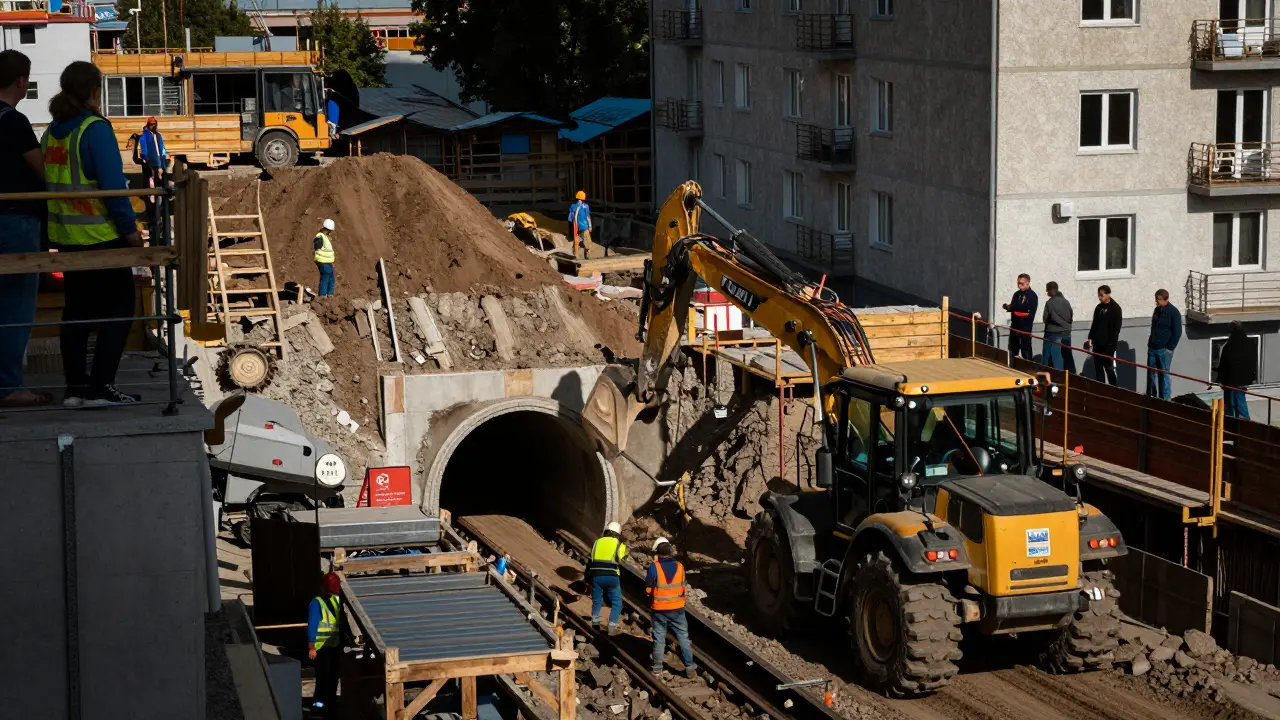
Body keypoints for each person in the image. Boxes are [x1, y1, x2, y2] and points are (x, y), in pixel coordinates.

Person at [43, 61, 142, 407]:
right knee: (121, 308)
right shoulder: (94, 129)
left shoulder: (53, 131)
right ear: (93, 90)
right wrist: (129, 230)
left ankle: (75, 389)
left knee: (76, 312)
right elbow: (112, 186)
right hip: (101, 235)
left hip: (66, 237)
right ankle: (101, 386)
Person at [0, 50, 51, 408]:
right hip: (15, 220)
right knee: (16, 306)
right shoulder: (14, 122)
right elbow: (41, 170)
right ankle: (9, 386)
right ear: (21, 81)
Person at [647, 537, 698, 680]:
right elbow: (683, 585)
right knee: (683, 638)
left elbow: (648, 588)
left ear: (657, 552)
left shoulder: (654, 567)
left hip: (659, 610)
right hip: (677, 609)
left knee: (659, 639)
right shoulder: (680, 566)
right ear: (670, 551)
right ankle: (690, 668)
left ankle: (657, 670)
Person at [308, 571, 343, 714]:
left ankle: (321, 704)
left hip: (323, 647)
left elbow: (312, 625)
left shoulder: (317, 603)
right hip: (333, 646)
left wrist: (311, 646)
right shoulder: (339, 601)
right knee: (332, 676)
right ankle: (329, 703)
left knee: (324, 677)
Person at [587, 521, 628, 635]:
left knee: (597, 600)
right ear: (618, 534)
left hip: (596, 576)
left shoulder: (597, 542)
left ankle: (595, 624)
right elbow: (623, 558)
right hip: (611, 577)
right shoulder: (619, 544)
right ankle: (611, 628)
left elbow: (591, 558)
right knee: (617, 602)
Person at [1147, 288, 1182, 401]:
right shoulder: (1157, 310)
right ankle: (1152, 396)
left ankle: (1165, 399)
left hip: (1164, 350)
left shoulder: (1173, 312)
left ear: (1165, 299)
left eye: (1158, 299)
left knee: (1164, 375)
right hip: (1153, 348)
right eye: (1156, 299)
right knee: (1151, 374)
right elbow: (1154, 327)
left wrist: (1169, 348)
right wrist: (1151, 342)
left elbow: (1177, 332)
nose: (1156, 302)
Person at [1084, 285, 1122, 386]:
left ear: (1108, 294)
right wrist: (1090, 337)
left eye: (1102, 295)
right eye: (1099, 295)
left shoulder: (1115, 308)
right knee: (1098, 367)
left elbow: (1116, 329)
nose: (1100, 297)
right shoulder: (1099, 308)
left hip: (1108, 344)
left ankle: (1114, 388)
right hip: (1098, 343)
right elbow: (1094, 324)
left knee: (1109, 368)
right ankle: (1100, 387)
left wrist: (1111, 345)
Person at [1217, 321, 1256, 420]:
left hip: (1231, 380)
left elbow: (1224, 363)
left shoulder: (1229, 345)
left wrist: (1220, 379)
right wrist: (1252, 376)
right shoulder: (1250, 343)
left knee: (1231, 403)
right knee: (1240, 401)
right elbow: (1253, 361)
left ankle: (1232, 421)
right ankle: (1244, 422)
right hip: (1244, 379)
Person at [139, 117, 167, 231]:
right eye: (151, 124)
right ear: (148, 124)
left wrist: (163, 165)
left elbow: (162, 150)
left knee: (160, 194)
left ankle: (158, 220)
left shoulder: (158, 135)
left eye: (154, 124)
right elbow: (145, 153)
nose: (153, 126)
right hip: (151, 168)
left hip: (160, 168)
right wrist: (155, 166)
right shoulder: (144, 137)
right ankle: (153, 220)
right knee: (151, 194)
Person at [1002, 273, 1037, 362]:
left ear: (1027, 283)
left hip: (1025, 327)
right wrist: (1008, 307)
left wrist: (1015, 308)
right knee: (1013, 349)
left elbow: (1026, 310)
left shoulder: (1032, 295)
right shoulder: (1016, 294)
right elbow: (1014, 306)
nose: (1019, 285)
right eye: (1018, 283)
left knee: (1026, 350)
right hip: (1015, 326)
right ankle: (1012, 365)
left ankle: (1028, 367)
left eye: (1021, 283)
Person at [1042, 282, 1076, 373]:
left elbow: (1045, 319)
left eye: (1047, 291)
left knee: (1054, 359)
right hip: (1066, 334)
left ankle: (1055, 377)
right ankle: (1072, 375)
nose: (1047, 293)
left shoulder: (1049, 303)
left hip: (1053, 334)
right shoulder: (1066, 302)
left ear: (1050, 290)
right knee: (1067, 357)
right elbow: (1070, 317)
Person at [314, 218, 336, 297]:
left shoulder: (325, 237)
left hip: (327, 262)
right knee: (325, 277)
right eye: (330, 230)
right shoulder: (320, 237)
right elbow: (316, 246)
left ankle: (330, 294)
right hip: (322, 261)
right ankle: (322, 295)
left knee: (331, 278)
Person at [569, 190, 592, 259]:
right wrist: (590, 226)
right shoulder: (585, 206)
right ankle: (587, 255)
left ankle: (576, 255)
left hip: (576, 226)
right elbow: (588, 216)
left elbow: (570, 217)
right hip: (584, 226)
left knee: (576, 240)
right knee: (587, 241)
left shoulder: (573, 206)